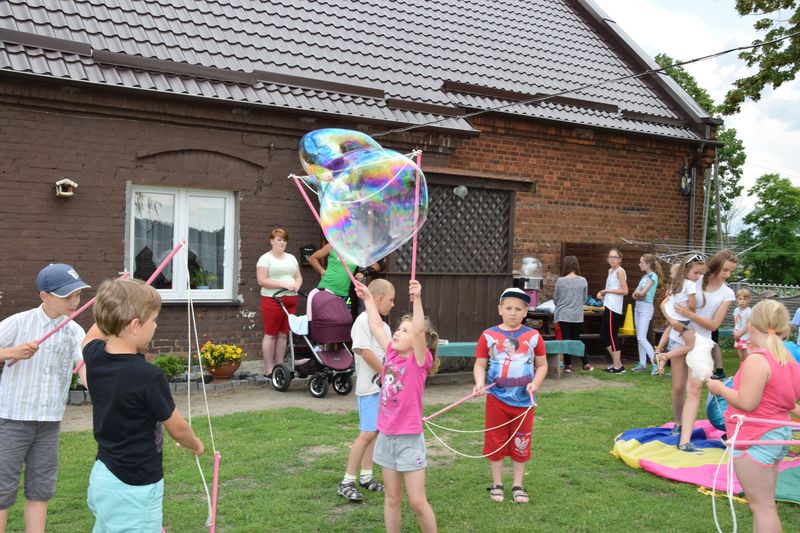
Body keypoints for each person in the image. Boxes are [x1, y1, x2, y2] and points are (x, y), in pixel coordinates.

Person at [82, 278, 204, 532]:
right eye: (154, 320)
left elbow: (90, 337)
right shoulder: (148, 376)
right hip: (134, 486)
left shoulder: (94, 357)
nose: (156, 326)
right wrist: (196, 444)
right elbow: (178, 428)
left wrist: (114, 296)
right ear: (136, 325)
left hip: (103, 478)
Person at [0, 263, 90, 533]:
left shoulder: (74, 331)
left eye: (77, 295)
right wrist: (11, 352)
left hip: (50, 421)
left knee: (40, 490)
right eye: (67, 297)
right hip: (12, 419)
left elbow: (84, 367)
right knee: (2, 488)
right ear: (44, 296)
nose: (75, 302)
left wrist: (98, 385)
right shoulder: (19, 322)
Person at [706, 299, 800, 532]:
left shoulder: (758, 361)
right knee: (765, 506)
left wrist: (720, 389)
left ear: (751, 324)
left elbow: (747, 402)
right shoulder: (787, 360)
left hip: (755, 438)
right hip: (776, 436)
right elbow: (786, 401)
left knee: (762, 507)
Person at [353, 278, 439, 533]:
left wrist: (418, 298)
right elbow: (376, 325)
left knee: (416, 500)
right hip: (386, 437)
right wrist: (368, 298)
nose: (398, 333)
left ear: (416, 340)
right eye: (399, 329)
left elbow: (420, 332)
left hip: (409, 440)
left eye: (404, 331)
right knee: (392, 498)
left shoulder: (419, 361)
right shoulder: (391, 354)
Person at [473, 288, 547, 504]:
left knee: (521, 442)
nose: (513, 313)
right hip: (496, 399)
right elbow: (480, 364)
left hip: (524, 403)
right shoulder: (488, 335)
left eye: (518, 309)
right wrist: (479, 383)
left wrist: (535, 383)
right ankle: (497, 484)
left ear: (525, 312)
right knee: (495, 441)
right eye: (508, 308)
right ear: (500, 309)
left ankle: (518, 484)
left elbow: (541, 366)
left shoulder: (533, 337)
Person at [669, 249, 739, 453]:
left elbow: (714, 325)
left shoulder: (727, 293)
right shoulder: (694, 281)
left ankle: (685, 440)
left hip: (701, 344)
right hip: (680, 338)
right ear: (716, 265)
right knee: (678, 387)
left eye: (731, 271)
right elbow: (673, 304)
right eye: (725, 269)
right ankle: (679, 421)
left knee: (695, 389)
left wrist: (690, 314)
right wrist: (677, 317)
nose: (727, 274)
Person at [337, 278, 395, 502]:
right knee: (367, 433)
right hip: (368, 388)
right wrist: (385, 373)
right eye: (390, 300)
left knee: (375, 432)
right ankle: (347, 481)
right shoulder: (362, 322)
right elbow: (364, 351)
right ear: (378, 299)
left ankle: (366, 476)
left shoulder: (384, 327)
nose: (392, 305)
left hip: (383, 389)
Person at [256, 228, 303, 379]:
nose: (282, 242)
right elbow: (261, 280)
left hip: (291, 300)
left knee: (284, 334)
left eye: (284, 240)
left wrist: (297, 284)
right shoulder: (265, 259)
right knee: (271, 334)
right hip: (273, 300)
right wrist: (282, 284)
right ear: (271, 241)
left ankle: (280, 365)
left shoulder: (291, 258)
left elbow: (298, 277)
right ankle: (269, 369)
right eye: (278, 239)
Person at [654, 253, 705, 375]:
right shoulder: (691, 284)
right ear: (686, 270)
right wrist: (692, 311)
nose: (698, 276)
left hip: (674, 318)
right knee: (691, 345)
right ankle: (665, 356)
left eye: (700, 273)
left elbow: (668, 301)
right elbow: (692, 305)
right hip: (683, 320)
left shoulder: (675, 284)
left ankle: (660, 353)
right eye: (696, 273)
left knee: (672, 337)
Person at [309, 243, 380, 311]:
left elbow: (377, 266)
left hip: (343, 294)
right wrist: (322, 271)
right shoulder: (332, 246)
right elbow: (312, 258)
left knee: (344, 321)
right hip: (325, 289)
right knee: (323, 319)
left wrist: (363, 273)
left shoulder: (358, 251)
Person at [553, 255, 592, 372]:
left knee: (566, 339)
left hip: (563, 314)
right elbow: (584, 299)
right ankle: (586, 363)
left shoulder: (560, 281)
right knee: (576, 339)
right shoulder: (583, 281)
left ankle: (568, 365)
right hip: (577, 314)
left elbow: (555, 299)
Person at [597, 248, 628, 373]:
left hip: (614, 307)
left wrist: (606, 291)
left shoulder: (620, 271)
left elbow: (625, 291)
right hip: (608, 305)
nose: (612, 259)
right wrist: (603, 294)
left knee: (611, 335)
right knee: (604, 336)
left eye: (615, 257)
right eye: (610, 257)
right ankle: (618, 364)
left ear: (620, 259)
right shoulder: (610, 271)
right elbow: (612, 288)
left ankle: (617, 366)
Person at [630, 254, 662, 374]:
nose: (639, 264)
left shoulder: (653, 276)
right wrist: (638, 294)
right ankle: (642, 363)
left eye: (641, 262)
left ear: (648, 264)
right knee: (640, 338)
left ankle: (656, 364)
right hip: (638, 307)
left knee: (642, 337)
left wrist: (639, 294)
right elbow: (634, 295)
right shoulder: (644, 277)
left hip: (646, 308)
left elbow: (642, 293)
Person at [732, 288, 752, 362]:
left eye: (744, 299)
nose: (742, 301)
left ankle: (748, 373)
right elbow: (736, 323)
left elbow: (747, 326)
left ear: (748, 300)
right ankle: (741, 373)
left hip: (746, 338)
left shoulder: (749, 311)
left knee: (747, 358)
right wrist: (734, 331)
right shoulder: (736, 310)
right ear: (737, 299)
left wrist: (739, 334)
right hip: (738, 337)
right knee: (741, 358)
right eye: (740, 299)